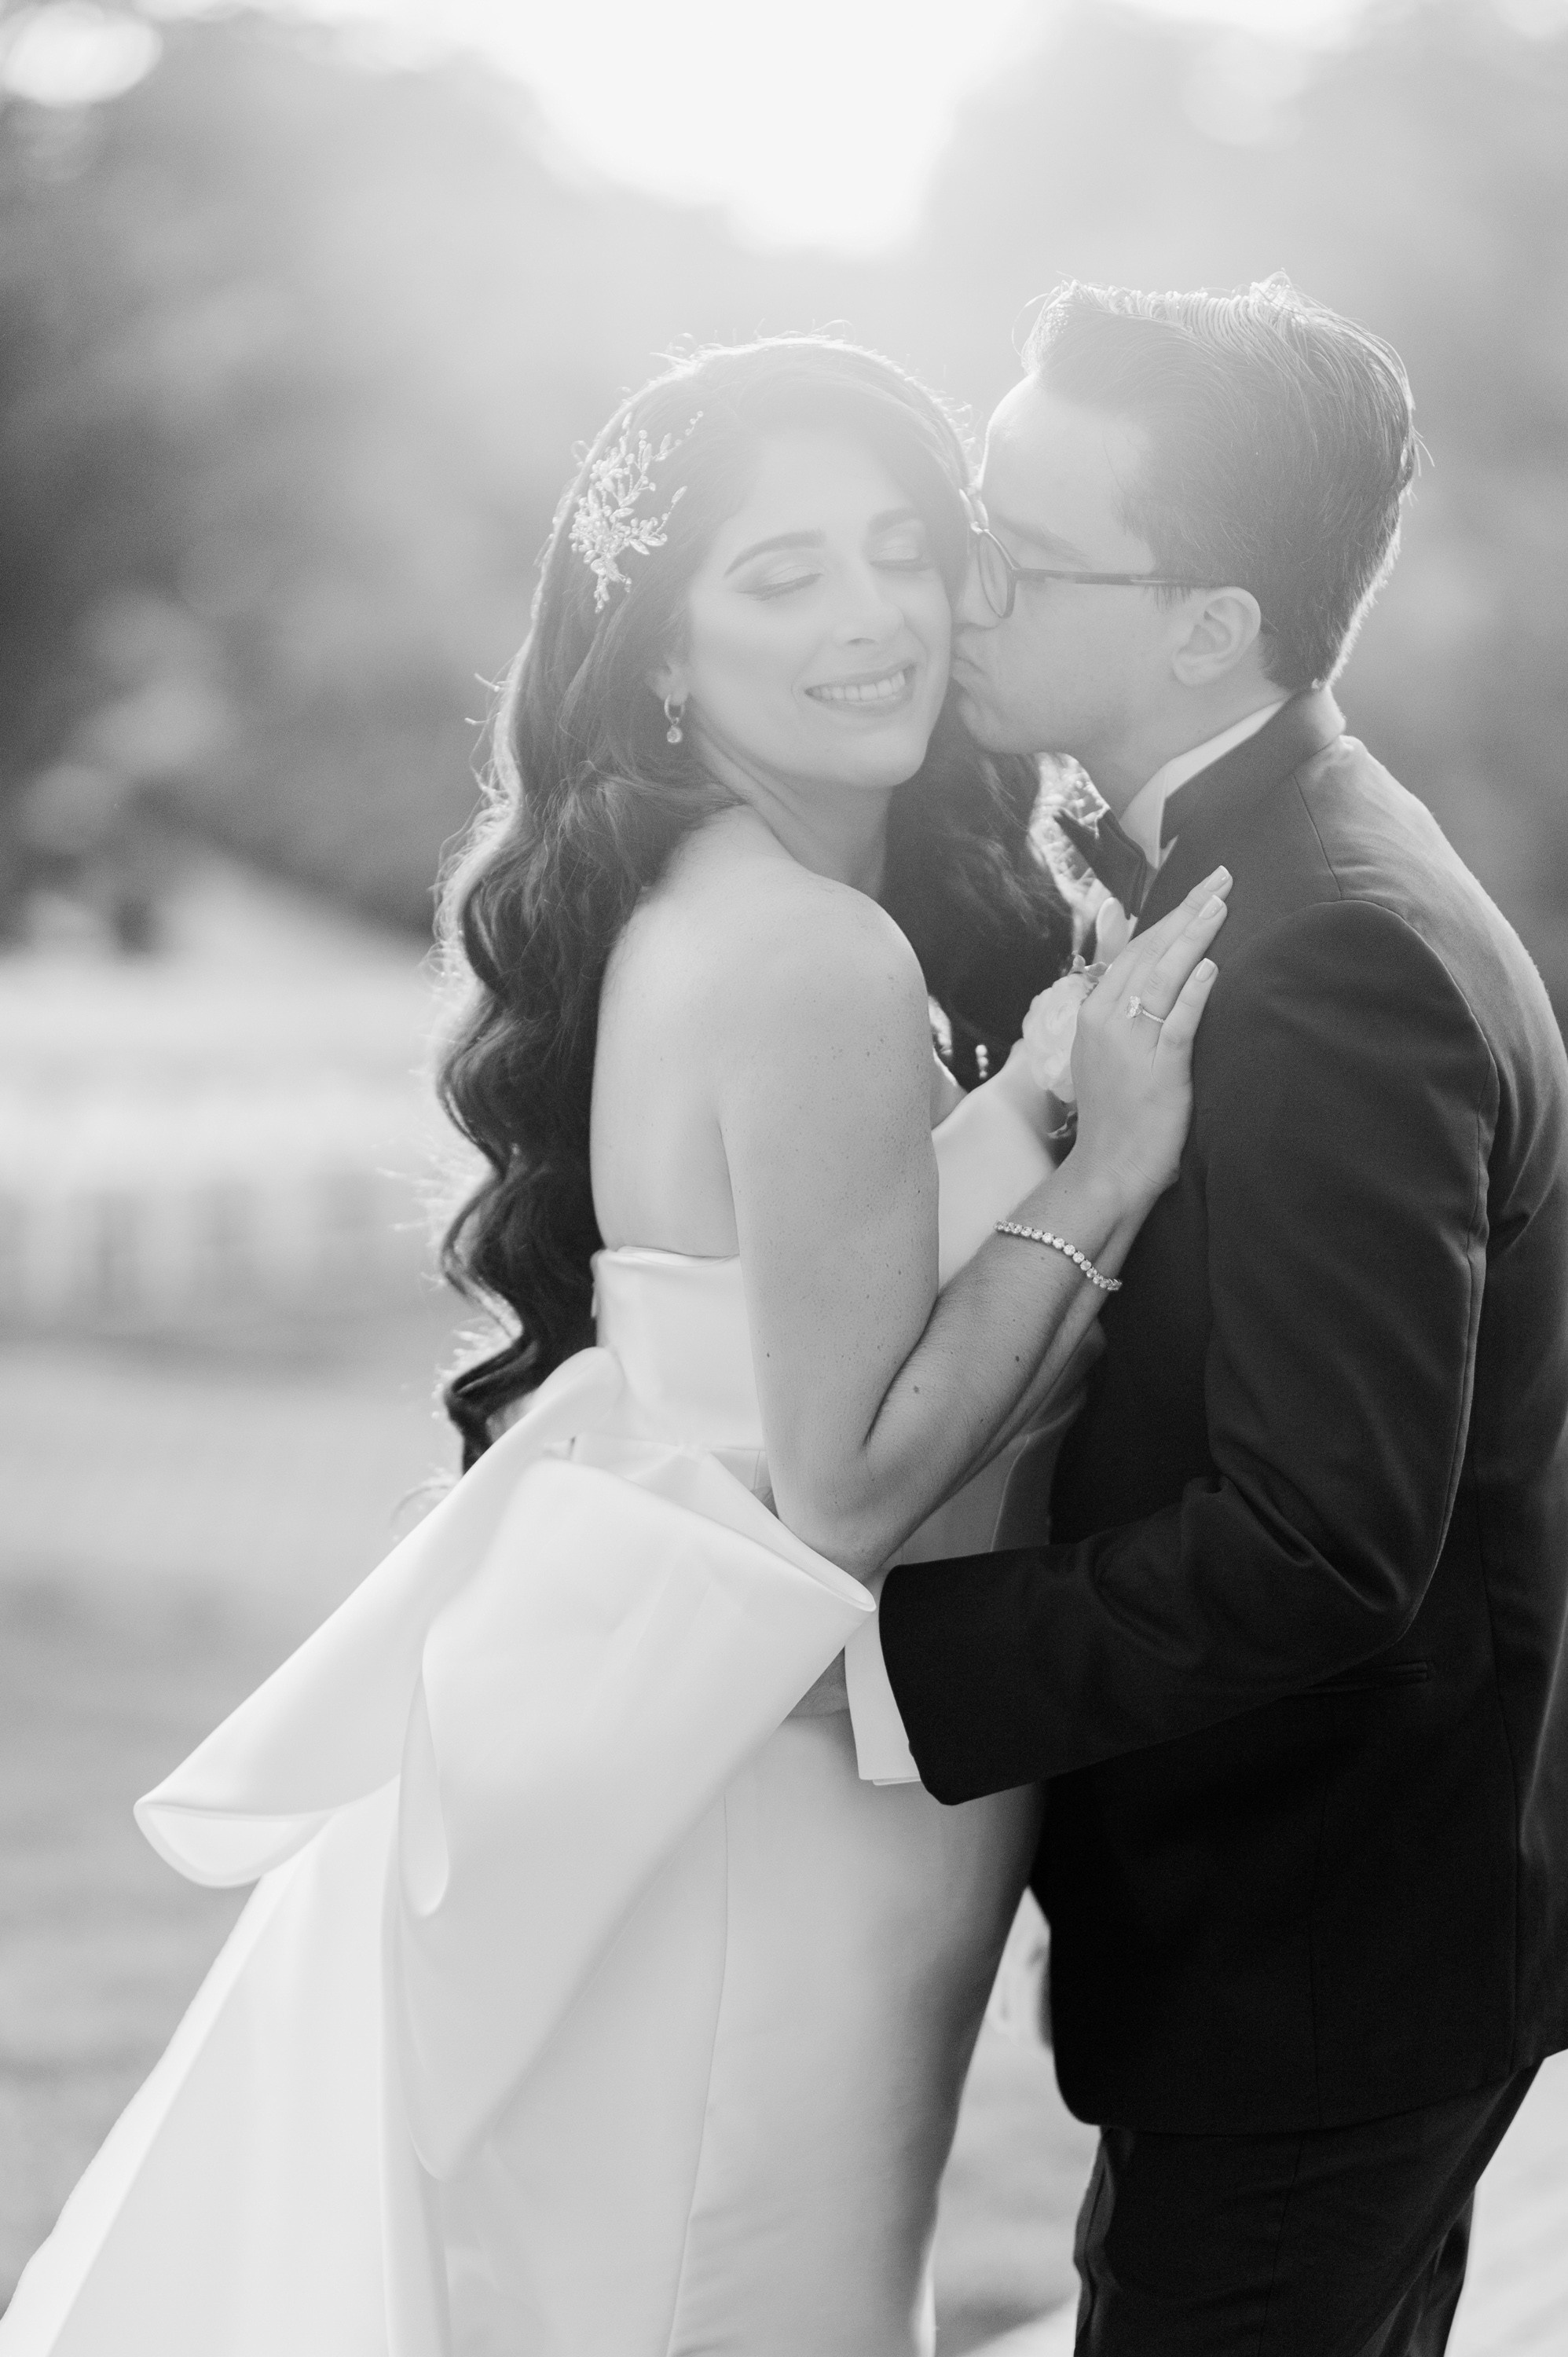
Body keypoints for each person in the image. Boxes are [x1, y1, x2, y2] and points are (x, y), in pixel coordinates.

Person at [0, 337, 1226, 2357]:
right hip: (784, 1796)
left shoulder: (713, 904)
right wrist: (1096, 1177)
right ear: (660, 658)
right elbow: (842, 1477)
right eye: (777, 576)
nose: (869, 616)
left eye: (900, 551)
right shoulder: (813, 956)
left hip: (735, 1752)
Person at [858, 279, 1568, 2355]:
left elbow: (1324, 1538)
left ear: (1203, 624)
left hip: (1323, 1959)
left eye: (1016, 544)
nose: (958, 590)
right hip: (1324, 1941)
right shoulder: (1259, 872)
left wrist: (888, 1662)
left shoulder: (1333, 952)